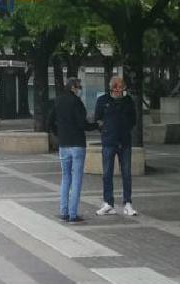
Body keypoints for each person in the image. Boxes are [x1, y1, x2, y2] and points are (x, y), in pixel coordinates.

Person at [47, 78, 98, 222]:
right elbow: (82, 124)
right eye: (79, 87)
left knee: (65, 178)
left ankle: (63, 212)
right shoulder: (77, 102)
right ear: (73, 88)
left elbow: (50, 121)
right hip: (77, 144)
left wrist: (59, 134)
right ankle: (73, 214)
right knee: (76, 179)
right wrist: (96, 126)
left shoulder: (58, 101)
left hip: (64, 144)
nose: (80, 90)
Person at [95, 76, 138, 216]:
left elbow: (133, 119)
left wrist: (125, 129)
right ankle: (108, 203)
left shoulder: (128, 101)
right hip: (109, 141)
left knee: (126, 173)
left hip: (124, 142)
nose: (119, 90)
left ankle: (128, 203)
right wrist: (106, 130)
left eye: (121, 87)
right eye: (117, 87)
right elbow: (97, 119)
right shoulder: (103, 100)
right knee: (107, 173)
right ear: (112, 88)